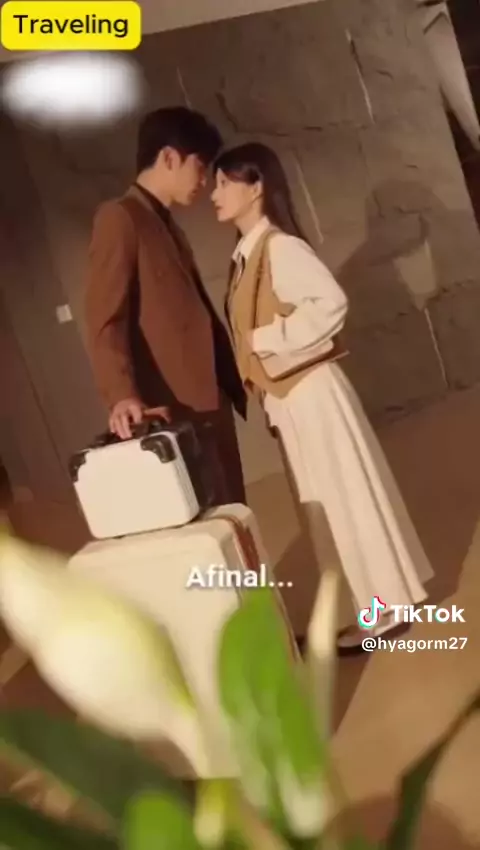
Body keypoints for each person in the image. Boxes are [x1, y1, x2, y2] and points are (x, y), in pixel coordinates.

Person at [211, 142, 434, 649]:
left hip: (312, 394)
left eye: (224, 182)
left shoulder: (280, 248)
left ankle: (384, 611)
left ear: (256, 187)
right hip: (292, 399)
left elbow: (331, 303)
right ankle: (374, 608)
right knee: (329, 508)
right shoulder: (247, 256)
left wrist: (265, 340)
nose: (214, 194)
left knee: (344, 501)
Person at [84, 107, 246, 505]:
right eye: (200, 167)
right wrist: (121, 394)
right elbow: (105, 318)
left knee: (234, 510)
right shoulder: (119, 218)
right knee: (211, 516)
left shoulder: (165, 222)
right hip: (170, 403)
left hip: (206, 397)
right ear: (170, 157)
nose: (204, 181)